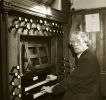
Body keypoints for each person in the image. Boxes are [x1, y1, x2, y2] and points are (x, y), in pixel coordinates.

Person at [41, 31, 103, 100]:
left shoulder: (86, 59)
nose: (75, 44)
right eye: (73, 42)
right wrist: (56, 77)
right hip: (87, 92)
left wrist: (52, 89)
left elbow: (71, 81)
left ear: (85, 42)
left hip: (86, 95)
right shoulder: (87, 55)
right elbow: (76, 76)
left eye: (78, 41)